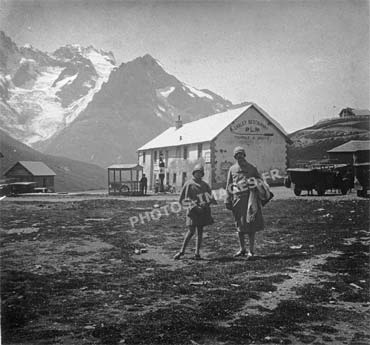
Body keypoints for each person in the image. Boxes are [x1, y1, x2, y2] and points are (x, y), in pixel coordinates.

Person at [225, 146, 271, 259]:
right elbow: (228, 186)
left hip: (251, 200)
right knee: (239, 226)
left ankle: (251, 250)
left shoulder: (252, 168)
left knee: (251, 225)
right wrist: (227, 199)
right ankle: (242, 249)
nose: (239, 157)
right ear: (234, 157)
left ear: (244, 155)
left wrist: (256, 184)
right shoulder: (232, 169)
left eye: (241, 154)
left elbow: (260, 181)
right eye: (237, 155)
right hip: (237, 200)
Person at [174, 164, 217, 260]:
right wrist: (194, 206)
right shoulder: (188, 184)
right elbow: (182, 199)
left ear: (202, 174)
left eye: (200, 173)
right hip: (193, 212)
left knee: (200, 232)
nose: (198, 174)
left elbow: (209, 197)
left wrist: (207, 203)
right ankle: (182, 251)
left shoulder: (205, 185)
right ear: (193, 173)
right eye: (197, 172)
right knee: (191, 231)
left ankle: (197, 252)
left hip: (202, 212)